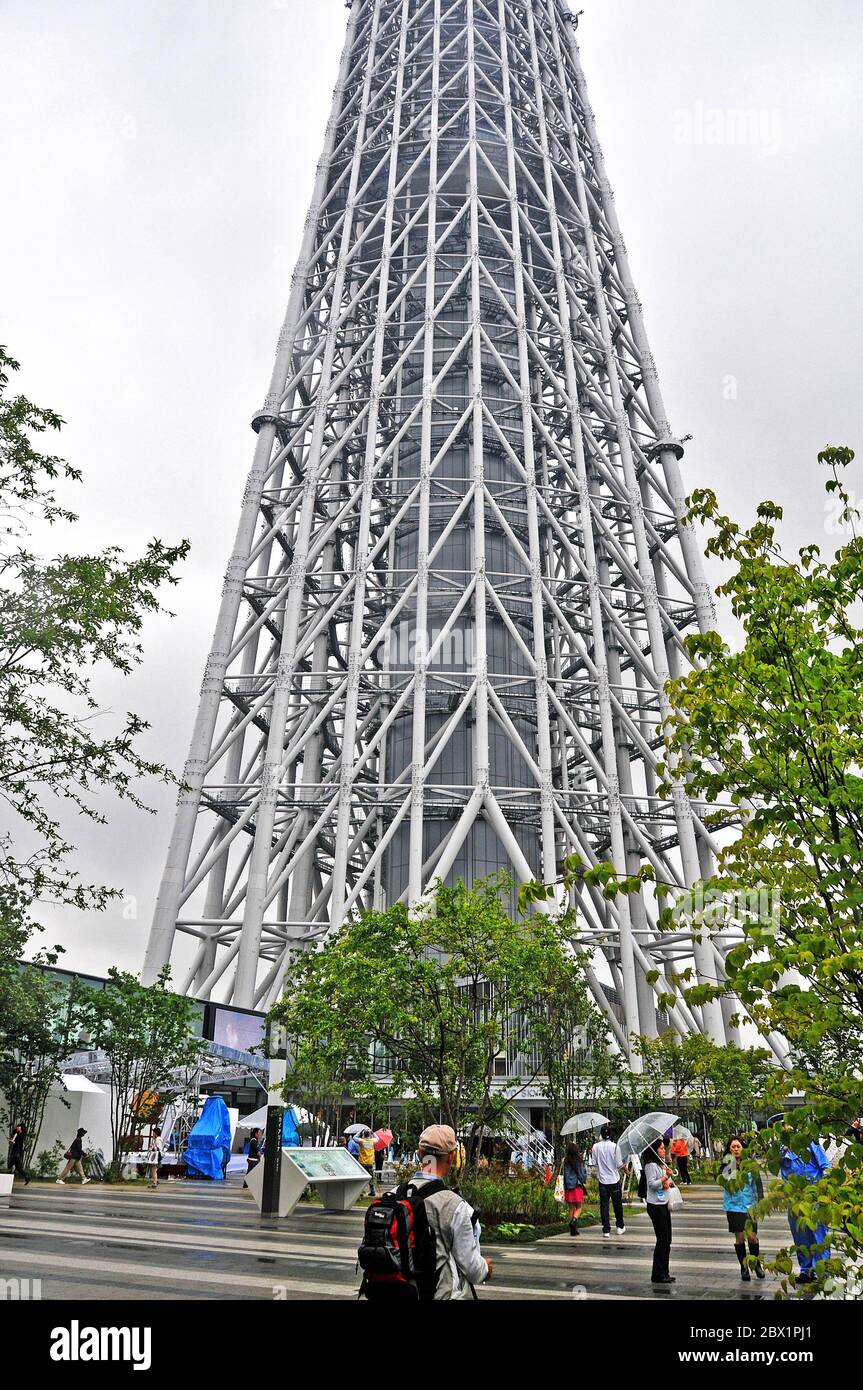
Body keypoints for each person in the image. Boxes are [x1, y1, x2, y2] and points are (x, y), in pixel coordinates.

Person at [404, 1124, 492, 1299]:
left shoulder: (395, 1196)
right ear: (451, 1157)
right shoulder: (455, 1206)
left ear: (419, 1154)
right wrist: (485, 1268)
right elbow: (471, 1267)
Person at [780, 1135, 831, 1284]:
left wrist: (825, 1191)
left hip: (814, 1198)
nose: (787, 1129)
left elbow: (825, 1166)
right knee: (800, 1236)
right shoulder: (780, 1149)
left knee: (818, 1234)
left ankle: (822, 1271)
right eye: (784, 1126)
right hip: (794, 1200)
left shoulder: (810, 1143)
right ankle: (806, 1270)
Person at [719, 1135, 765, 1282]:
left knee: (752, 1237)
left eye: (738, 1146)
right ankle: (744, 1267)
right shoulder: (726, 1163)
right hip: (733, 1206)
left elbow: (758, 1185)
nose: (736, 1149)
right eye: (733, 1147)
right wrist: (731, 1164)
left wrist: (761, 1203)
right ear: (729, 1149)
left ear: (743, 1148)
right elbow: (724, 1181)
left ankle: (756, 1264)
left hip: (750, 1205)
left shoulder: (751, 1164)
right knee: (740, 1238)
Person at [640, 1139, 674, 1285]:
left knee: (667, 1240)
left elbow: (660, 1183)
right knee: (662, 1240)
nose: (663, 1150)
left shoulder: (660, 1164)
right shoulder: (650, 1165)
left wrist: (667, 1181)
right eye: (660, 1148)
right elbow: (652, 1184)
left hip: (663, 1203)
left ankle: (664, 1272)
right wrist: (665, 1177)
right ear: (653, 1150)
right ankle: (658, 1274)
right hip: (655, 1206)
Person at [590, 1125, 626, 1238]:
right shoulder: (615, 1147)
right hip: (614, 1180)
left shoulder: (595, 1147)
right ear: (610, 1135)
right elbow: (619, 1164)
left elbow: (594, 1163)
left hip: (603, 1181)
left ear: (601, 1135)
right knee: (617, 1205)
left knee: (604, 1206)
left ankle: (606, 1230)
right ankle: (620, 1227)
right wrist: (625, 1168)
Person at [562, 1141, 587, 1236]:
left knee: (571, 1207)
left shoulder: (565, 1161)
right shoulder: (579, 1160)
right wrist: (583, 1180)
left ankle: (572, 1229)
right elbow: (581, 1174)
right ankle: (574, 1221)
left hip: (568, 1187)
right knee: (579, 1207)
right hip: (577, 1186)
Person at [357, 1129, 376, 1196]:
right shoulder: (372, 1141)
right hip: (370, 1162)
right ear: (369, 1134)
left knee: (362, 1178)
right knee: (371, 1177)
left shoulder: (361, 1141)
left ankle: (361, 1192)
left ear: (364, 1134)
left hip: (362, 1162)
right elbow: (377, 1138)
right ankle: (372, 1191)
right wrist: (372, 1132)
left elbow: (354, 1138)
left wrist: (360, 1132)